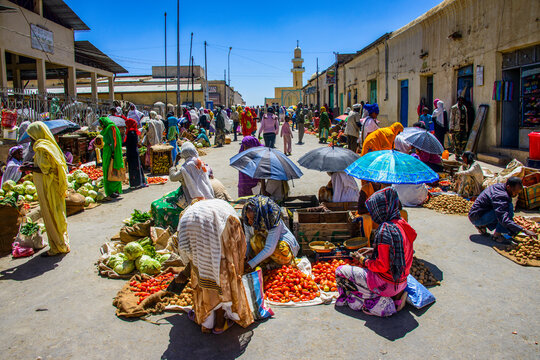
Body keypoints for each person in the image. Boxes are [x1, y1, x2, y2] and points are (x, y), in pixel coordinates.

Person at [335, 188, 416, 316]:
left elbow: (381, 266)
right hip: (402, 281)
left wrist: (363, 260)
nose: (373, 215)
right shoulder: (401, 224)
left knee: (340, 271)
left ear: (381, 209)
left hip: (385, 285)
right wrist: (374, 250)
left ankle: (380, 302)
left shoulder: (385, 231)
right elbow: (395, 250)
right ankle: (396, 298)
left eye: (374, 211)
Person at [177, 199, 254, 334]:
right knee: (221, 275)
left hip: (192, 231)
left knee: (203, 272)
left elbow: (186, 249)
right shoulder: (222, 208)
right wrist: (239, 262)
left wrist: (187, 269)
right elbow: (239, 244)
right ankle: (219, 323)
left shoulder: (188, 214)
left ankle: (207, 321)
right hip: (220, 230)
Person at [19, 122, 70, 256]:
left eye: (31, 136)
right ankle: (62, 242)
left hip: (48, 188)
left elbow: (45, 169)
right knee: (57, 213)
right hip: (52, 186)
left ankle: (57, 247)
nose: (30, 139)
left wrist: (28, 168)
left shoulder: (41, 148)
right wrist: (31, 164)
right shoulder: (49, 145)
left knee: (50, 214)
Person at [469, 177, 535, 243]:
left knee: (504, 209)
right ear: (508, 187)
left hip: (476, 214)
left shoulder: (499, 186)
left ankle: (482, 226)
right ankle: (497, 236)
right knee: (508, 208)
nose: (516, 195)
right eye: (515, 192)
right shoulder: (501, 195)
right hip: (477, 218)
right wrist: (523, 230)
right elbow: (503, 218)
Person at [242, 195, 299, 268]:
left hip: (281, 245)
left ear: (259, 216)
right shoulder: (247, 221)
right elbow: (248, 241)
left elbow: (269, 248)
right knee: (254, 240)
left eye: (252, 219)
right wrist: (245, 256)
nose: (250, 221)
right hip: (267, 244)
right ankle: (266, 263)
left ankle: (281, 263)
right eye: (248, 218)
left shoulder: (272, 221)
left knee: (279, 249)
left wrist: (251, 263)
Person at [99, 116, 125, 199]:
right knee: (108, 170)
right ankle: (112, 191)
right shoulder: (107, 128)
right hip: (107, 151)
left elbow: (115, 141)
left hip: (111, 152)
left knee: (112, 169)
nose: (101, 125)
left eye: (101, 123)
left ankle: (114, 190)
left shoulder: (111, 128)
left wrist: (113, 153)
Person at [123, 118, 147, 189]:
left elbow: (128, 143)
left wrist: (120, 144)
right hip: (134, 152)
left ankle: (136, 183)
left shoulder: (131, 133)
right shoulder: (133, 132)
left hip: (132, 152)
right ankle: (140, 182)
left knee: (134, 168)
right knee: (137, 167)